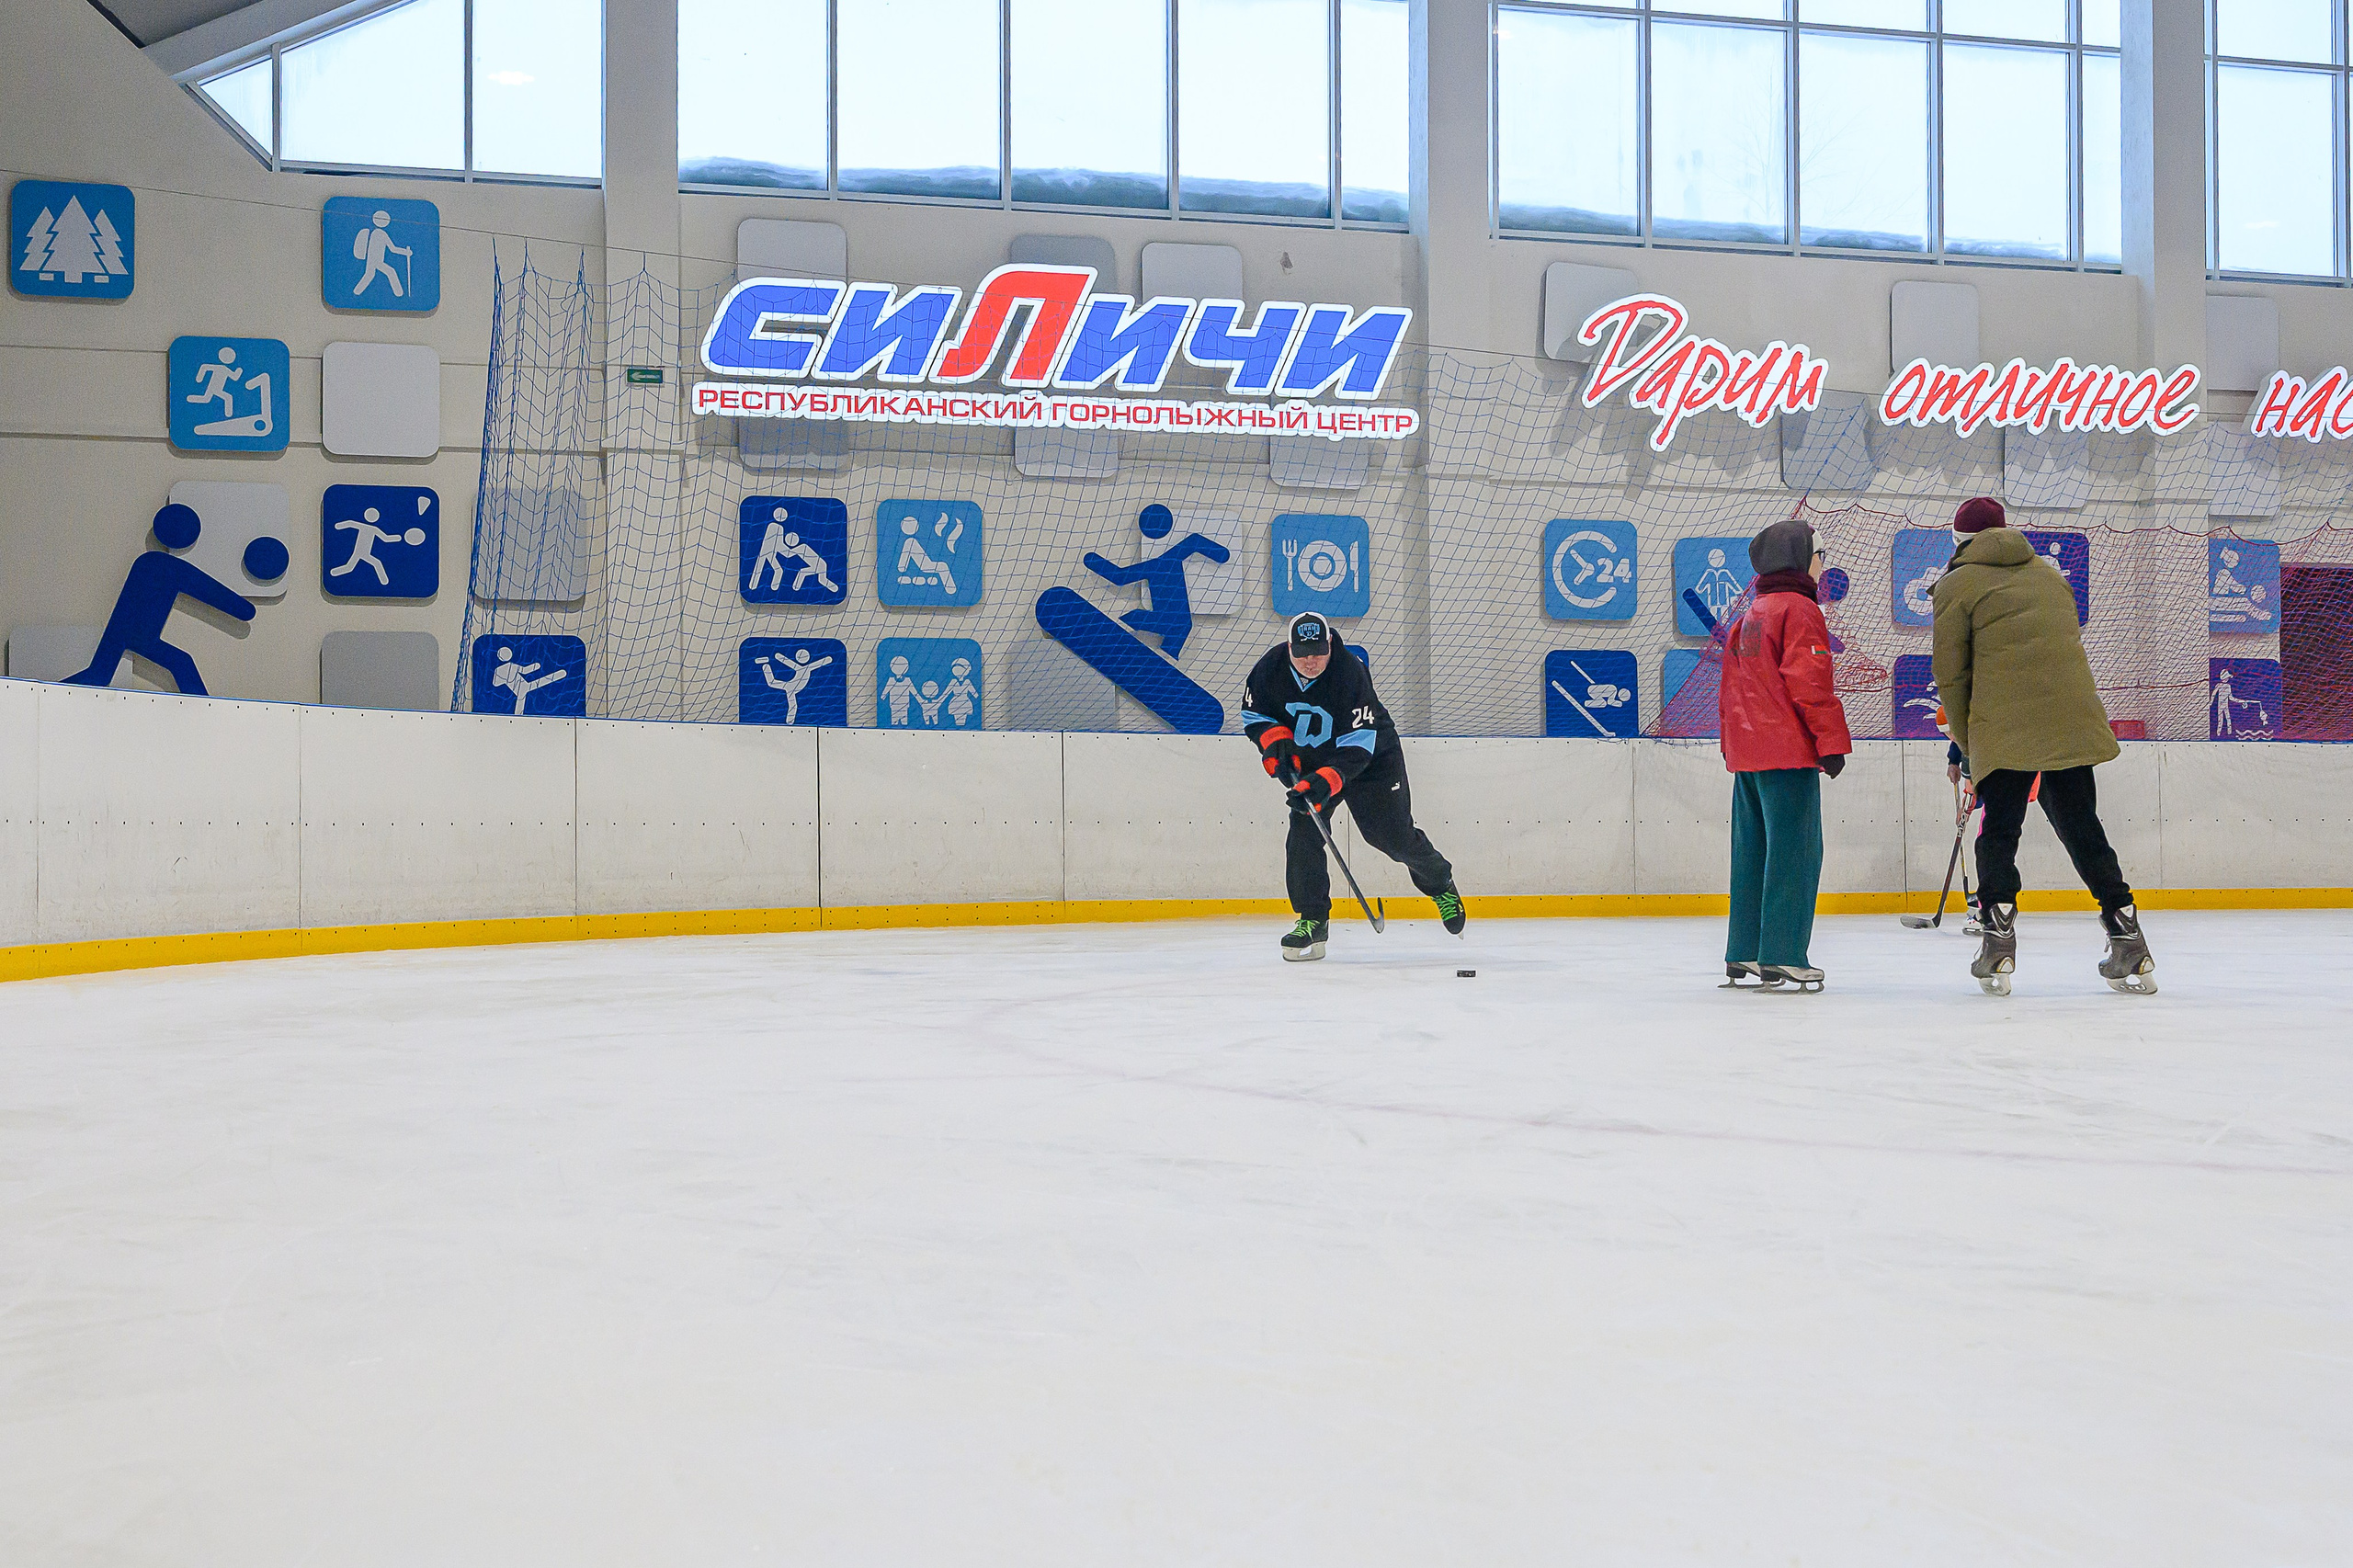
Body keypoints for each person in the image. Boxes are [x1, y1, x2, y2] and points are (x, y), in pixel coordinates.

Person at [1932, 496, 2154, 995]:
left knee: (1999, 831)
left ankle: (1997, 942)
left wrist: (1967, 744)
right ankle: (2128, 936)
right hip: (2069, 722)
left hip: (2005, 726)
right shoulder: (2052, 577)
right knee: (2082, 827)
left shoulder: (1956, 585)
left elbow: (1950, 675)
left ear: (1959, 541)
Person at [1242, 613, 1463, 961]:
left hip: (1371, 758)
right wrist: (1276, 745)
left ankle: (1440, 882)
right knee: (1304, 830)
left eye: (1318, 652)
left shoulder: (1350, 672)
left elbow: (1359, 745)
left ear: (1330, 644)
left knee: (1390, 837)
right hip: (1313, 759)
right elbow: (1255, 715)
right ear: (1289, 647)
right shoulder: (1269, 669)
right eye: (1302, 653)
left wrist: (1326, 782)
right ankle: (1313, 919)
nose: (1311, 661)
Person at [1716, 517, 1852, 993]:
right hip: (1787, 753)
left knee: (1751, 852)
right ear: (1801, 560)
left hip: (1748, 756)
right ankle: (1783, 953)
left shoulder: (1751, 613)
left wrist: (1734, 746)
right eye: (1819, 556)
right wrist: (1830, 744)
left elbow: (1732, 689)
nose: (1822, 566)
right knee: (1796, 852)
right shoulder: (1800, 610)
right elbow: (1810, 682)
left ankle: (1744, 949)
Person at [66, 503, 256, 696]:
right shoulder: (172, 568)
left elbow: (215, 594)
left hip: (121, 633)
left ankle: (50, 693)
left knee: (99, 674)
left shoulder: (146, 562)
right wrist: (244, 609)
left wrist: (243, 609)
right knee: (182, 663)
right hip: (141, 636)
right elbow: (214, 593)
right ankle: (204, 709)